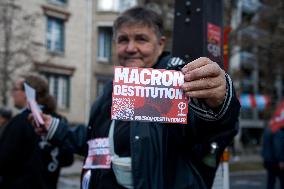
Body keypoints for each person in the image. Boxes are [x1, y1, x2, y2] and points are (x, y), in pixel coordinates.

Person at [36, 6, 240, 189]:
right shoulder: (111, 88)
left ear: (160, 45)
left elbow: (212, 130)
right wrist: (54, 127)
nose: (131, 48)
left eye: (141, 39)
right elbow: (97, 140)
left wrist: (220, 100)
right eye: (123, 40)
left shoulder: (178, 81)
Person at [0, 73, 74, 189]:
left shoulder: (20, 122)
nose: (12, 93)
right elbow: (68, 159)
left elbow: (3, 160)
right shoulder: (58, 121)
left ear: (26, 93)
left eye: (15, 89)